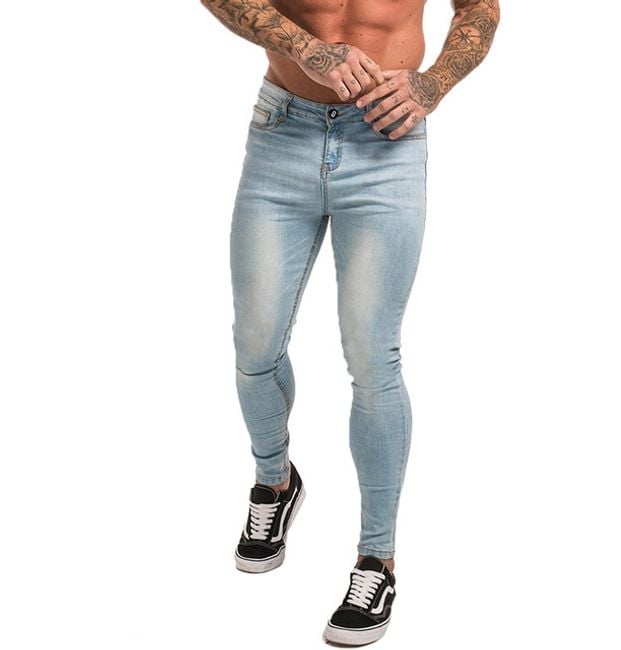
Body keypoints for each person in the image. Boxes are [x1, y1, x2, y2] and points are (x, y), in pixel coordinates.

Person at [200, 0, 500, 644]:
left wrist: (433, 83)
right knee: (254, 344)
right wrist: (306, 49)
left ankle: (377, 558)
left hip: (387, 139)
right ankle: (275, 480)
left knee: (372, 355)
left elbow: (479, 8)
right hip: (284, 129)